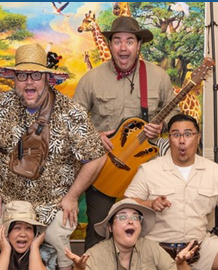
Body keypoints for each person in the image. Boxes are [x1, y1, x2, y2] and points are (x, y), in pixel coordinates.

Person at [0, 43, 106, 270]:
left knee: (57, 240)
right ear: (13, 79)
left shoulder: (70, 112)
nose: (29, 81)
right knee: (4, 244)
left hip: (55, 202)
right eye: (22, 75)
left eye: (35, 75)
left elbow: (96, 156)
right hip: (11, 199)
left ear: (47, 78)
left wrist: (72, 197)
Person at [73, 16, 179, 251]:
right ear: (110, 45)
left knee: (149, 232)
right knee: (98, 231)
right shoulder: (91, 79)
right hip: (104, 169)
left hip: (146, 170)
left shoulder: (158, 77)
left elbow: (176, 117)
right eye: (117, 41)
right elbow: (72, 124)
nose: (123, 47)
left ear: (138, 45)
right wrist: (95, 136)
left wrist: (162, 126)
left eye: (129, 41)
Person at [124, 113, 218, 270]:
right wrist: (149, 204)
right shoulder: (149, 169)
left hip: (198, 245)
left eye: (188, 134)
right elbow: (126, 203)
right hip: (161, 252)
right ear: (169, 139)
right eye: (175, 134)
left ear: (198, 138)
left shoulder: (214, 171)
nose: (182, 140)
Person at [64, 198, 198, 270]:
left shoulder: (152, 249)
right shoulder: (95, 254)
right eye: (122, 217)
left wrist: (181, 265)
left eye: (136, 217)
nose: (130, 221)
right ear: (110, 227)